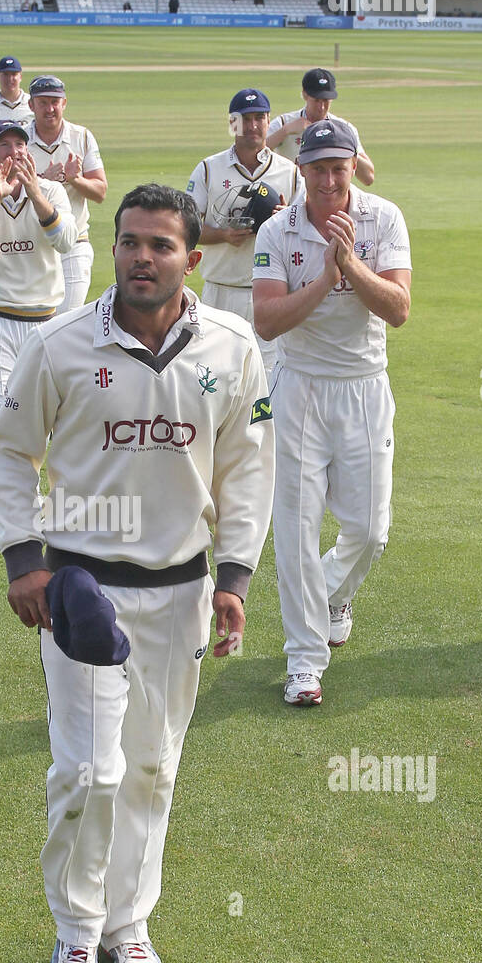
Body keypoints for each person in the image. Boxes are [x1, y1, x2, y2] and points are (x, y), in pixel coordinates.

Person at [0, 183, 275, 963]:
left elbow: (247, 469)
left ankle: (127, 924)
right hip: (81, 590)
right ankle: (76, 931)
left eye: (161, 245)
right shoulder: (64, 343)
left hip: (181, 587)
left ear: (193, 259)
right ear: (112, 249)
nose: (142, 257)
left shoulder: (231, 345)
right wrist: (22, 560)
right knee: (88, 772)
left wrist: (237, 577)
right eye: (130, 242)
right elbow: (6, 448)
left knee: (151, 767)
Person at [252, 118, 411, 706]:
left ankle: (329, 597)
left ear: (352, 165)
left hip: (364, 387)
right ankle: (303, 662)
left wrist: (352, 264)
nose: (326, 179)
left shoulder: (383, 217)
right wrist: (325, 277)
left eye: (337, 167)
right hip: (298, 387)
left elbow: (397, 309)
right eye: (316, 168)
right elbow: (266, 321)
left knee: (370, 530)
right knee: (293, 529)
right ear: (302, 168)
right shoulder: (278, 228)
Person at [0, 119, 78, 549]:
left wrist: (36, 192)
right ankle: (2, 519)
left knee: (56, 423)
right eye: (2, 145)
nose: (13, 152)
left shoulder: (53, 192)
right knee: (1, 423)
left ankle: (51, 508)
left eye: (19, 144)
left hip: (47, 324)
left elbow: (66, 239)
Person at [186, 88, 301, 376]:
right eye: (245, 119)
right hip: (220, 291)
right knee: (215, 375)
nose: (252, 126)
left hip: (271, 293)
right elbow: (186, 227)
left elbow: (306, 229)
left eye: (259, 118)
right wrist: (223, 235)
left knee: (267, 379)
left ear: (268, 121)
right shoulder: (208, 169)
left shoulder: (290, 172)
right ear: (232, 124)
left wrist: (285, 220)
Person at [26, 74, 107, 311]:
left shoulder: (81, 136)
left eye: (55, 101)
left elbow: (100, 191)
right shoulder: (19, 140)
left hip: (75, 241)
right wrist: (43, 183)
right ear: (31, 105)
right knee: (37, 324)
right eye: (43, 102)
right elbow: (8, 192)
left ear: (64, 103)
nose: (50, 108)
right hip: (35, 244)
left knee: (66, 321)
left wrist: (76, 179)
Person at [266, 67, 375, 185]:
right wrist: (285, 131)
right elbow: (256, 153)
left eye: (326, 101)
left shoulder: (344, 129)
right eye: (317, 100)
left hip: (328, 196)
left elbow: (368, 178)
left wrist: (343, 145)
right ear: (304, 94)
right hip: (290, 194)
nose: (321, 107)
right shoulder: (283, 122)